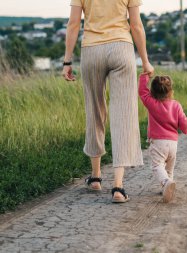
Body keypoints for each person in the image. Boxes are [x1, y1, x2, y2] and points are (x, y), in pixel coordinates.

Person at [62, 0, 154, 203]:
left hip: (92, 50)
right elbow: (136, 25)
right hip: (122, 48)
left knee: (94, 110)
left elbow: (73, 24)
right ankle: (118, 187)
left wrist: (67, 61)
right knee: (123, 115)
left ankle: (95, 177)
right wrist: (145, 60)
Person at [138, 74, 187, 203]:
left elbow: (142, 92)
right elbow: (183, 122)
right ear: (171, 91)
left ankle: (166, 182)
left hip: (158, 142)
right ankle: (168, 187)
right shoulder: (176, 105)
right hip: (173, 143)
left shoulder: (151, 103)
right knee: (169, 168)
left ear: (152, 91)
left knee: (157, 166)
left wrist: (145, 76)